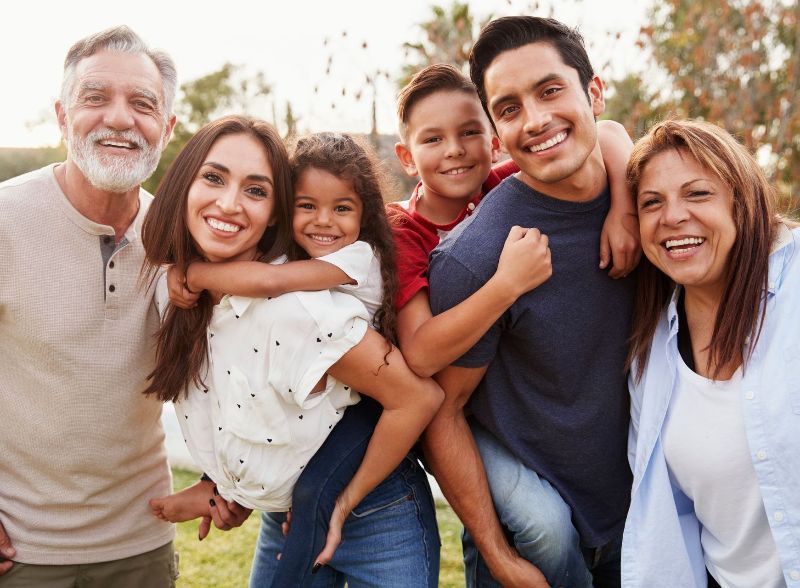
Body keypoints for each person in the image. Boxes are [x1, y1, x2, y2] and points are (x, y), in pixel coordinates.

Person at [141, 119, 444, 587]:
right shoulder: (181, 290)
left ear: (273, 212)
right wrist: (233, 488)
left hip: (376, 510)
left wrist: (340, 504)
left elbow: (417, 398)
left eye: (256, 190)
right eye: (214, 178)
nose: (229, 202)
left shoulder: (300, 309)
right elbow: (248, 404)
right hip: (285, 503)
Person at [424, 16, 637, 588]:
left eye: (550, 91)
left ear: (592, 92)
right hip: (533, 547)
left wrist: (628, 205)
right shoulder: (478, 259)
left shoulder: (650, 203)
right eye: (511, 108)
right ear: (496, 132)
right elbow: (442, 411)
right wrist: (499, 554)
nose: (537, 120)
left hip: (644, 524)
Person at [0, 26, 178, 586]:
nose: (121, 119)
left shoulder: (181, 238)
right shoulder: (4, 221)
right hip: (21, 547)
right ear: (61, 118)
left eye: (143, 104)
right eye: (95, 98)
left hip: (143, 541)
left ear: (167, 128)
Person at [622, 119, 800, 587]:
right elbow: (670, 523)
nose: (673, 216)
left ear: (741, 203)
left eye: (698, 194)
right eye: (651, 203)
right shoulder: (650, 363)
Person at [388, 63, 638, 379]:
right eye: (433, 139)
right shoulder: (401, 229)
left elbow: (607, 131)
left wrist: (624, 211)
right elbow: (420, 355)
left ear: (495, 145)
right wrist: (508, 284)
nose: (455, 150)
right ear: (408, 158)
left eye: (469, 132)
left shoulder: (500, 185)